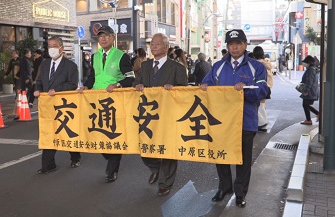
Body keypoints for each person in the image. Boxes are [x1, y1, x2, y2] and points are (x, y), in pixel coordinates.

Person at [200, 29, 268, 207]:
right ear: (227, 47)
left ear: (245, 45)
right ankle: (224, 187)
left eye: (238, 44)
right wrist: (204, 87)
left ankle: (240, 193)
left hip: (246, 121)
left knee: (243, 160)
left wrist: (245, 88)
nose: (234, 47)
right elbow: (207, 83)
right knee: (220, 155)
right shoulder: (218, 66)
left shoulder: (256, 67)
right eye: (231, 44)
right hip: (221, 121)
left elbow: (264, 91)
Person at [133, 33, 188, 197]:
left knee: (169, 150)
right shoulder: (145, 66)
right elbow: (136, 82)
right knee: (144, 146)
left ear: (166, 47)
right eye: (152, 44)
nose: (154, 46)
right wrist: (138, 85)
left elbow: (185, 93)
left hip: (169, 116)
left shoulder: (177, 68)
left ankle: (165, 183)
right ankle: (155, 167)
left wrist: (175, 89)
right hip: (148, 115)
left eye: (158, 44)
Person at [78, 25, 135, 183]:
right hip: (96, 102)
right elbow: (92, 77)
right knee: (99, 136)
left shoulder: (121, 56)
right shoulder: (95, 56)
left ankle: (112, 170)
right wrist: (86, 86)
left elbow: (130, 78)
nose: (102, 39)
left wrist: (117, 85)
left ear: (113, 38)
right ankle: (110, 158)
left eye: (106, 36)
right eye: (100, 36)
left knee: (113, 136)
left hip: (114, 103)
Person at [34, 36, 81, 174]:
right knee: (48, 133)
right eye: (49, 46)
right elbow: (39, 81)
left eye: (54, 46)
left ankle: (75, 157)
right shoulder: (45, 64)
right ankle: (48, 165)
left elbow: (72, 84)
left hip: (65, 106)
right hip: (48, 106)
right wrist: (37, 90)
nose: (51, 49)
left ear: (61, 48)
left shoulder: (70, 66)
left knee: (67, 131)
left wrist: (57, 90)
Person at [253, 46, 273, 132]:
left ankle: (262, 123)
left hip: (261, 86)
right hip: (268, 86)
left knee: (258, 106)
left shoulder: (256, 64)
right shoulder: (267, 63)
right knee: (262, 105)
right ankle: (263, 123)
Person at [299, 55, 319, 125]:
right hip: (313, 90)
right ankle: (314, 116)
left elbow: (309, 82)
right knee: (306, 105)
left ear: (309, 63)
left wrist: (306, 91)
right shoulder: (314, 69)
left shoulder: (310, 70)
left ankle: (309, 119)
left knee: (305, 104)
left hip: (309, 91)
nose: (304, 64)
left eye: (306, 62)